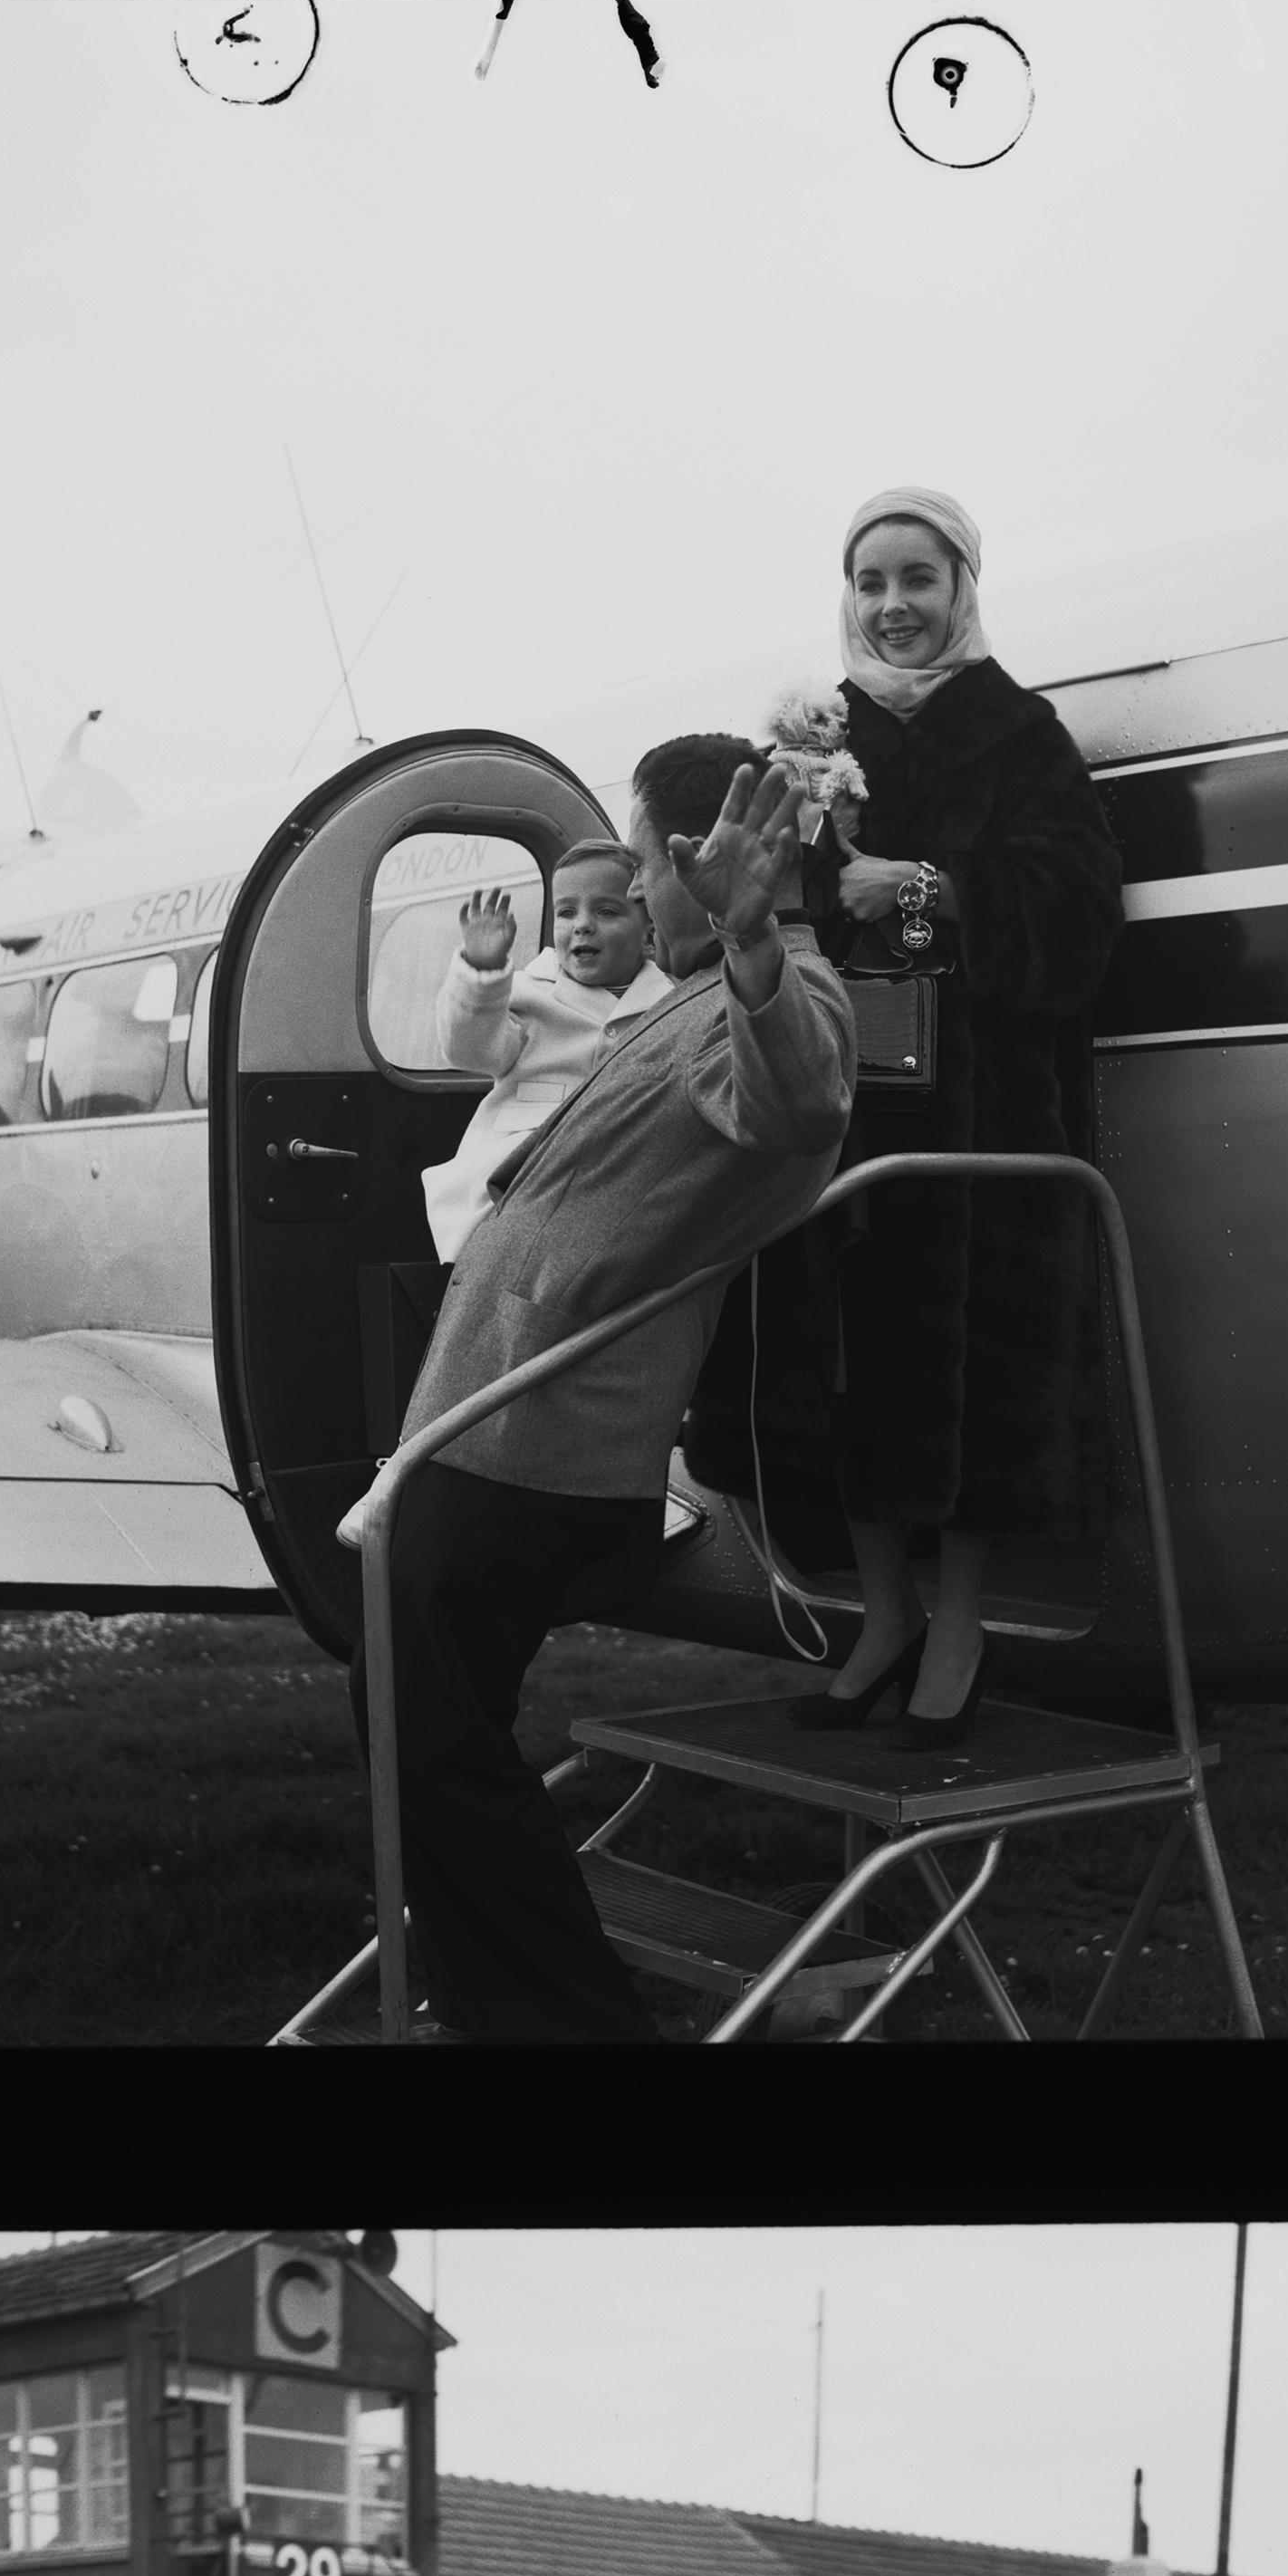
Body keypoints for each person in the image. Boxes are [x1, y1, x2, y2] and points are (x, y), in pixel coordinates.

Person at [341, 745, 855, 2043]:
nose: (627, 891)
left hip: (541, 1446)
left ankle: (557, 2023)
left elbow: (802, 1103)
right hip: (493, 1422)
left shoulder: (772, 995)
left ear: (696, 871)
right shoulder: (674, 1002)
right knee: (417, 1728)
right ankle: (494, 1999)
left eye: (638, 867)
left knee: (431, 1738)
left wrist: (750, 935)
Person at [681, 492, 1125, 1735]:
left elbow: (1082, 907)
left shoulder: (1020, 735)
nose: (894, 606)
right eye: (870, 581)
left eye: (917, 578)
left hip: (982, 1117)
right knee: (851, 1370)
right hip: (842, 1096)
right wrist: (811, 860)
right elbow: (755, 894)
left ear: (962, 585)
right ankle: (882, 1614)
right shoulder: (818, 739)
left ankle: (963, 1621)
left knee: (976, 1371)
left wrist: (931, 883)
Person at [419, 845, 673, 1267]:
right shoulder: (528, 992)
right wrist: (482, 973)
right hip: (515, 1187)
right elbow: (471, 1047)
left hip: (619, 1191)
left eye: (608, 912)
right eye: (567, 912)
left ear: (648, 931)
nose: (583, 926)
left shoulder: (671, 1002)